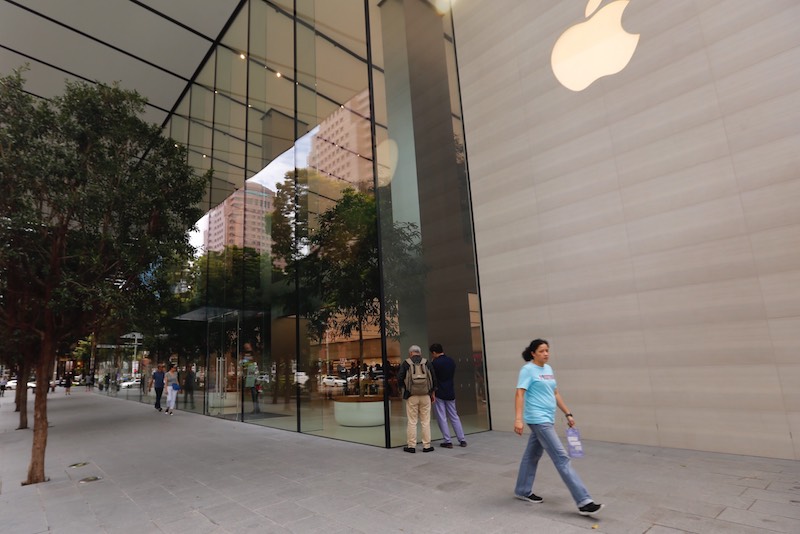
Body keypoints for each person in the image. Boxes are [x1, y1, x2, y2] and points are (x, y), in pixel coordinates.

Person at [514, 338, 604, 517]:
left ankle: (522, 490)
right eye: (541, 351)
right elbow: (519, 393)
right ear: (533, 353)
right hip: (538, 419)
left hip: (548, 417)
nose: (546, 354)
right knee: (562, 458)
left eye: (547, 350)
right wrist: (518, 418)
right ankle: (584, 501)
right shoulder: (528, 370)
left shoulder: (548, 369)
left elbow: (555, 393)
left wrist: (568, 413)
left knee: (532, 455)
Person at [397, 345, 436, 453]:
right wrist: (432, 392)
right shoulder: (427, 362)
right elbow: (433, 378)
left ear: (410, 353)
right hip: (425, 395)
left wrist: (405, 389)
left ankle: (411, 446)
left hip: (412, 396)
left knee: (412, 421)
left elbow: (399, 378)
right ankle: (427, 446)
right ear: (420, 352)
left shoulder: (406, 363)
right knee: (425, 421)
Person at [429, 343, 467, 448]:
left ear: (434, 352)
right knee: (454, 416)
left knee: (442, 417)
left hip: (439, 392)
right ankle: (462, 439)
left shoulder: (435, 363)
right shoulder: (451, 361)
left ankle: (447, 440)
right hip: (450, 391)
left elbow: (433, 378)